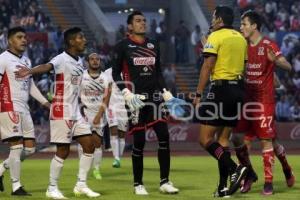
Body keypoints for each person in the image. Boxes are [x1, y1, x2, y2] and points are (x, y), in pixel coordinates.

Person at [15, 27, 100, 199]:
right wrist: (30, 71)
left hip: (75, 112)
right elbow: (47, 66)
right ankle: (52, 188)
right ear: (71, 41)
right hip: (62, 111)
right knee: (63, 150)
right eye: (80, 37)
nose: (84, 40)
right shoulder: (61, 58)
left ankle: (81, 185)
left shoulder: (79, 61)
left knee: (90, 145)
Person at [112, 10, 186, 195]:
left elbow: (158, 72)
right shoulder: (122, 46)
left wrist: (166, 93)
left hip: (155, 98)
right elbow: (115, 73)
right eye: (138, 21)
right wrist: (126, 92)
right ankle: (138, 184)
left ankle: (165, 182)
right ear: (130, 26)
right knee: (139, 141)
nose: (142, 23)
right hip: (135, 99)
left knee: (164, 136)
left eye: (144, 21)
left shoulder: (154, 45)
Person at [232, 10, 294, 195]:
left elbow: (288, 66)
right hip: (247, 101)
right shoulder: (242, 46)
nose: (241, 27)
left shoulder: (269, 44)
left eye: (244, 24)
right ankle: (251, 174)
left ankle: (268, 183)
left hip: (263, 101)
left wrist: (276, 62)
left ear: (254, 26)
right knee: (236, 139)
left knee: (266, 141)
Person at [193, 6, 248, 197]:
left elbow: (208, 65)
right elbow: (244, 65)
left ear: (219, 20)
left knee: (205, 139)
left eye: (214, 17)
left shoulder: (216, 36)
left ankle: (235, 169)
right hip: (239, 90)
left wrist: (198, 94)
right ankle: (223, 187)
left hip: (221, 90)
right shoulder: (241, 38)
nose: (212, 20)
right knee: (223, 140)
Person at [0, 26, 50, 196]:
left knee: (29, 149)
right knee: (16, 147)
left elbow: (30, 86)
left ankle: (0, 170)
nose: (24, 40)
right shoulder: (3, 59)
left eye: (25, 37)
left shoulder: (27, 61)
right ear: (10, 40)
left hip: (24, 108)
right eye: (19, 37)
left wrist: (46, 103)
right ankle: (16, 186)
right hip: (8, 106)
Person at [78, 52, 111, 180]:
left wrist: (99, 114)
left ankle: (96, 169)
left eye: (97, 59)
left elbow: (106, 98)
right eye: (92, 59)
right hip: (84, 114)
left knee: (97, 144)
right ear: (87, 61)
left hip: (99, 114)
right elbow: (76, 94)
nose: (95, 61)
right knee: (83, 144)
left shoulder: (105, 78)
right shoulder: (82, 76)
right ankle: (83, 170)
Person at [104, 67, 128, 168]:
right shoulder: (108, 72)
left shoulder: (129, 70)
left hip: (124, 106)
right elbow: (106, 89)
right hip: (112, 106)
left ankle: (119, 157)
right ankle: (116, 158)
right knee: (113, 130)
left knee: (122, 134)